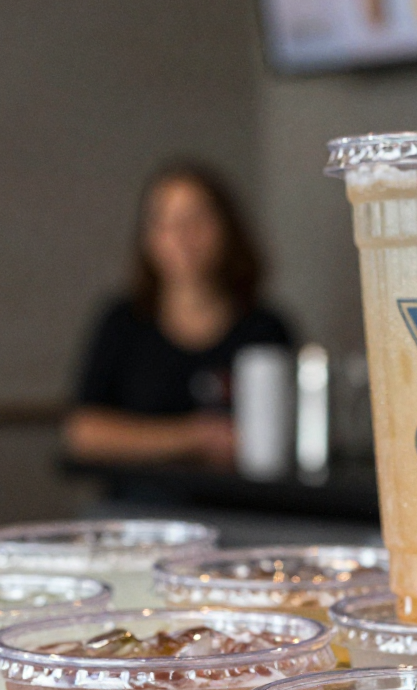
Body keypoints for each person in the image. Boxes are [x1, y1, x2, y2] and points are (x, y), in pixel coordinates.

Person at [63, 163, 293, 468]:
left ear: (226, 228)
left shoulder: (264, 328)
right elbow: (83, 432)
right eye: (166, 222)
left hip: (241, 505)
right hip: (142, 505)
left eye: (196, 220)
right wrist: (195, 436)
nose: (182, 236)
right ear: (148, 237)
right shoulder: (124, 322)